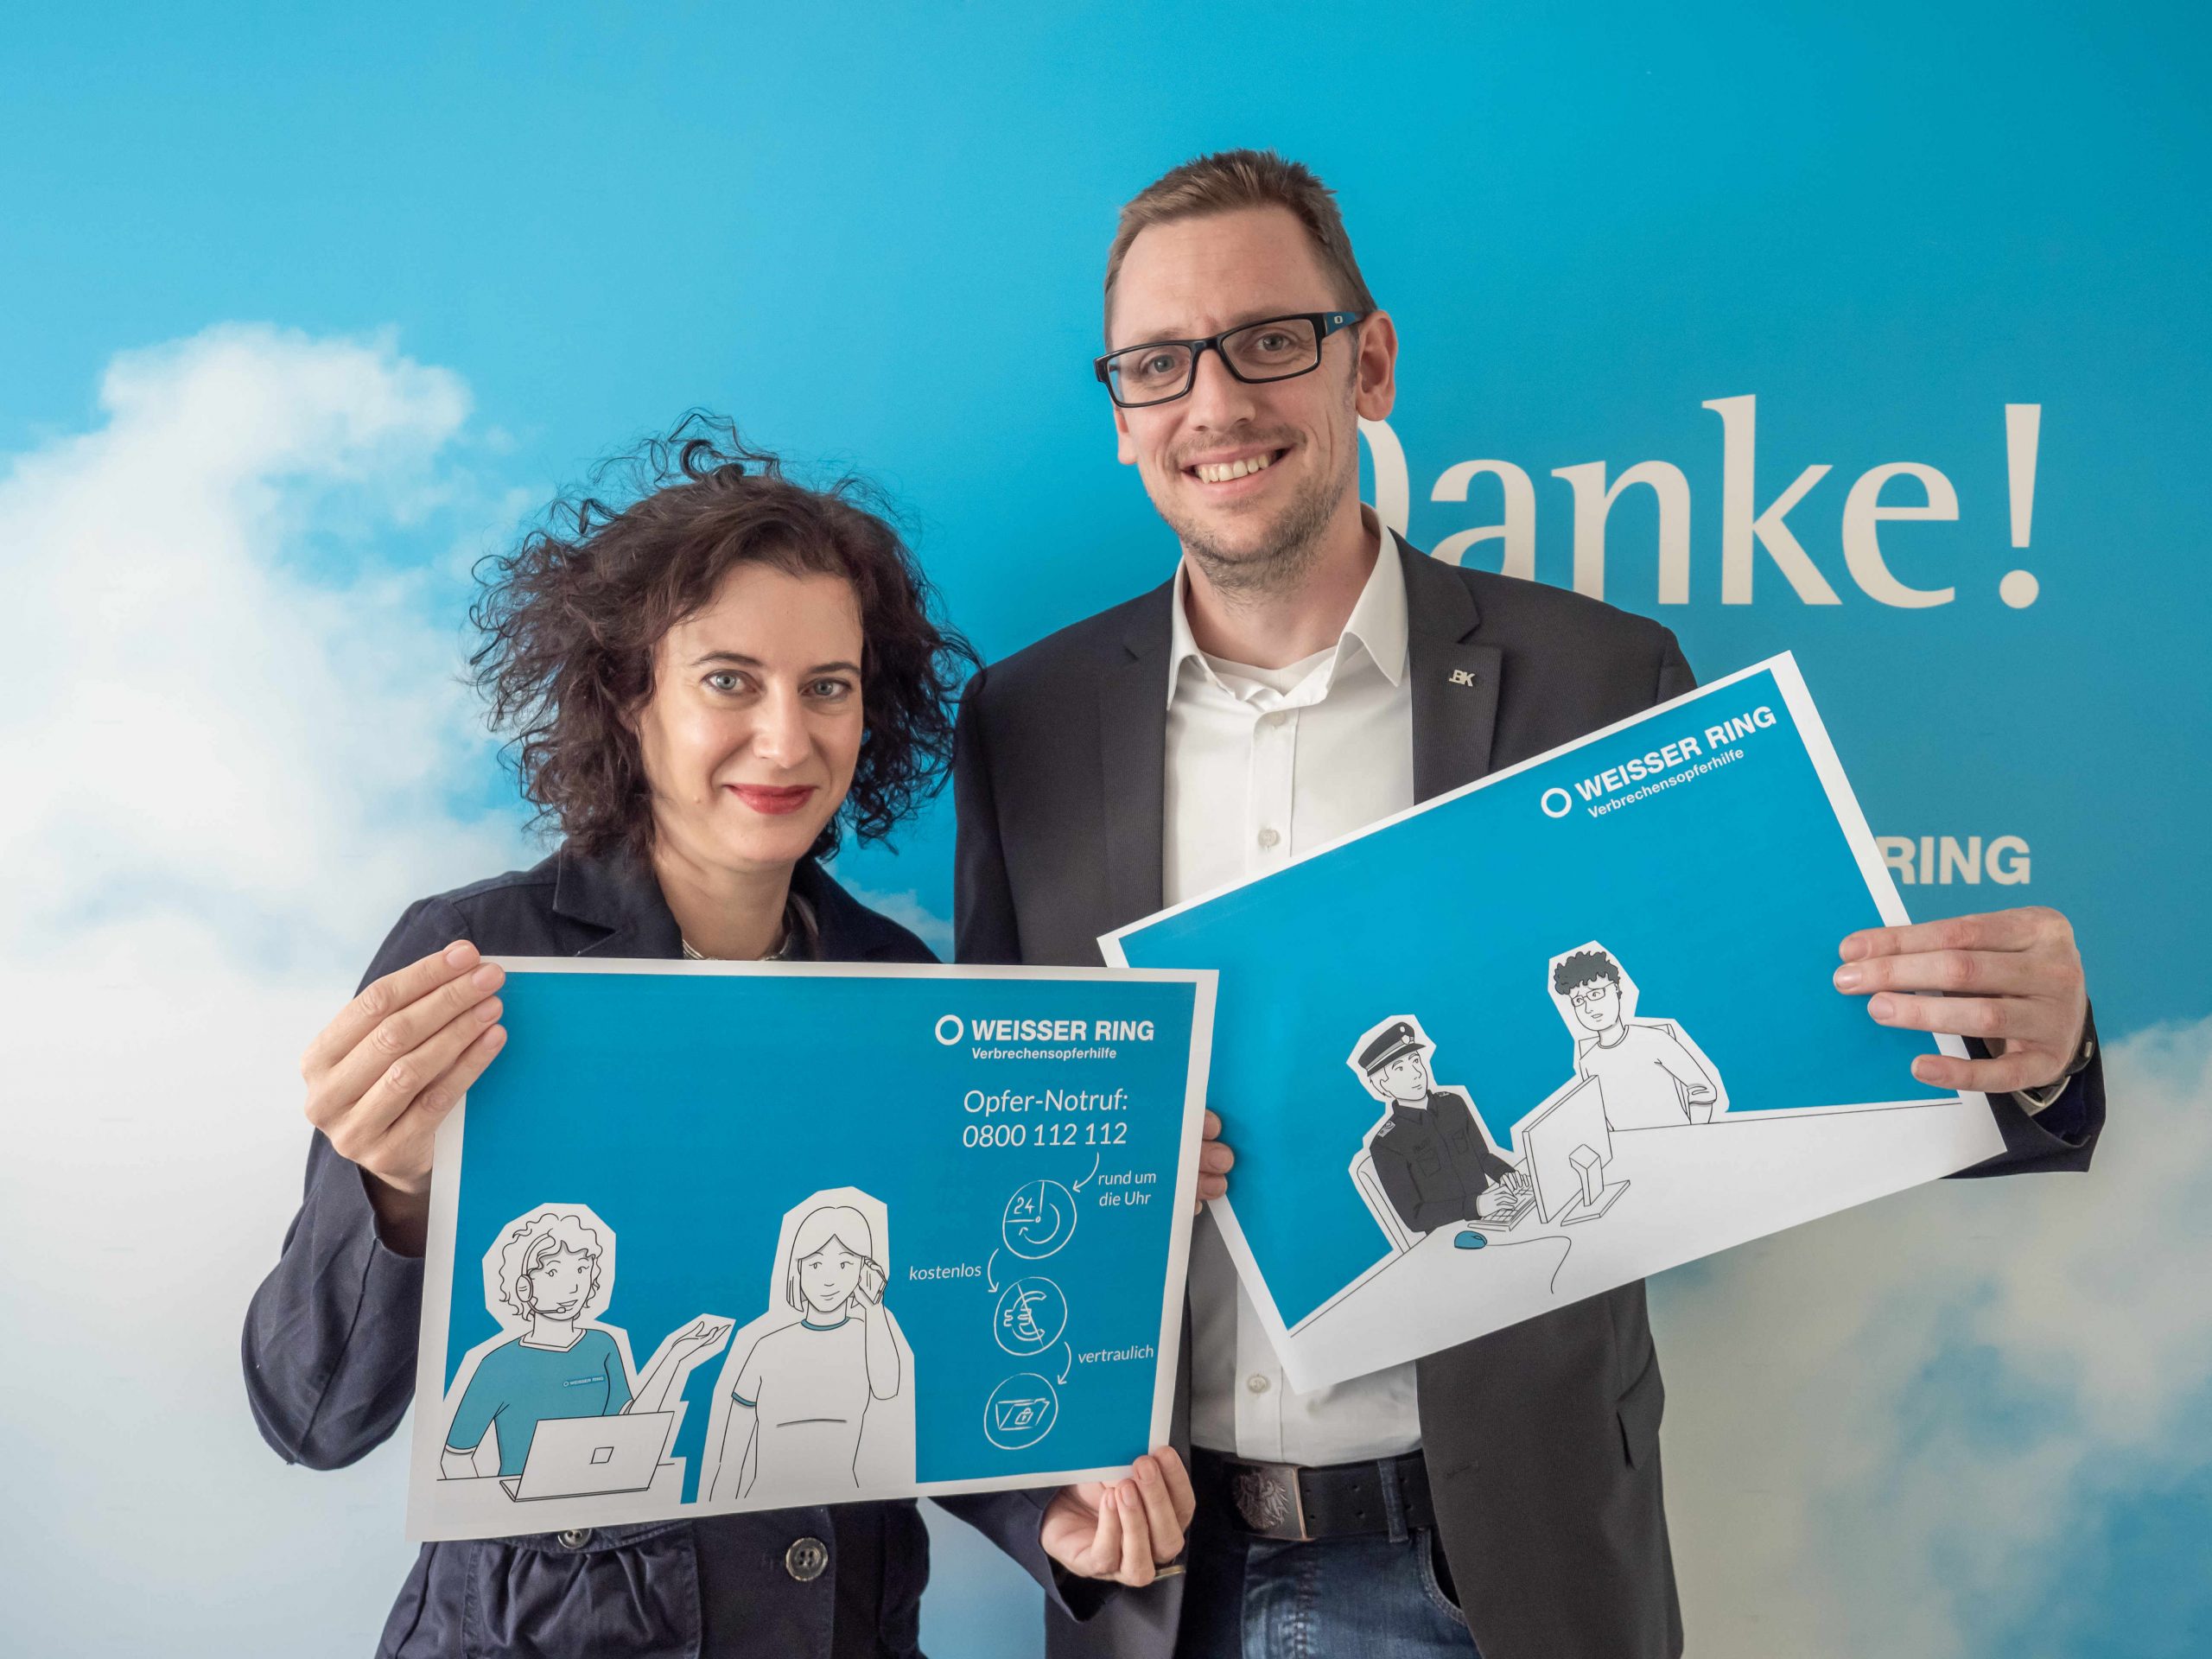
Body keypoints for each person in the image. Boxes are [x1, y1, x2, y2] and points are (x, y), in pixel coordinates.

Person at [951, 150, 2106, 1659]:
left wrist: (2036, 1058)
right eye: (1159, 362)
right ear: (1121, 413)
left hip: (1509, 1579)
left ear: (1370, 364)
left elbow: (1781, 1042)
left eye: (1270, 341)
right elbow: (978, 1159)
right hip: (1161, 1594)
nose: (1214, 402)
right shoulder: (1026, 726)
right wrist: (1039, 1489)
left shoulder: (1599, 682)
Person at [242, 421, 1198, 1659]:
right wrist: (394, 1189)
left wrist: (1046, 1514)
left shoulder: (897, 985)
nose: (787, 740)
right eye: (730, 681)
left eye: (828, 687)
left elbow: (920, 1357)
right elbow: (311, 1418)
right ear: (628, 697)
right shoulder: (475, 963)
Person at [441, 1207, 728, 1481]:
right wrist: (494, 1504)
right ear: (524, 1287)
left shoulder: (602, 1344)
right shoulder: (497, 1364)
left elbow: (628, 1425)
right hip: (519, 1504)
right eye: (553, 1272)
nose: (572, 1287)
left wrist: (675, 1357)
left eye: (581, 1270)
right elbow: (455, 1457)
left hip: (597, 1491)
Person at [709, 1202, 905, 1501]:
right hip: (764, 1505)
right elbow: (731, 1459)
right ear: (797, 1268)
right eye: (815, 1264)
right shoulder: (766, 1347)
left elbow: (887, 1388)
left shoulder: (870, 1337)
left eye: (845, 1264)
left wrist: (874, 1307)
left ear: (863, 1270)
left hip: (844, 1504)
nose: (829, 1279)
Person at [1352, 1020, 1528, 1248]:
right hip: (1449, 1239)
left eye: (1415, 1061)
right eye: (1400, 1068)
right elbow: (1415, 1216)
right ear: (1382, 1085)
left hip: (1493, 1216)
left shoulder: (1452, 1103)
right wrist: (1477, 1205)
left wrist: (1505, 1173)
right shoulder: (1387, 1143)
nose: (1416, 1073)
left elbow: (1482, 1156)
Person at [1554, 949, 1721, 1129]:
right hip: (1627, 1145)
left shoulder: (1655, 1039)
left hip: (1676, 1138)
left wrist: (1694, 1135)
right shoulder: (1587, 1063)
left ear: (1616, 989)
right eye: (1579, 1001)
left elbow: (1703, 1089)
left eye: (1595, 994)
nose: (1588, 1008)